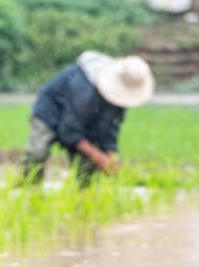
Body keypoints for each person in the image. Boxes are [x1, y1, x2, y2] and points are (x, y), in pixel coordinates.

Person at [22, 51, 155, 187]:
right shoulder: (85, 89)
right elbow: (69, 131)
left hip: (79, 119)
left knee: (88, 167)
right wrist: (99, 157)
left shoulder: (118, 100)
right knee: (38, 152)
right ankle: (28, 190)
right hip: (52, 111)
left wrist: (110, 155)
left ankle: (84, 197)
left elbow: (110, 128)